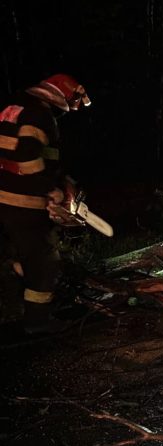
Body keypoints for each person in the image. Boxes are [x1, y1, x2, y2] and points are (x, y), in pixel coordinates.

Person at [0, 74, 90, 334]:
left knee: (27, 254)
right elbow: (27, 157)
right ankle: (38, 322)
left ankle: (18, 270)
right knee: (45, 261)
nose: (72, 109)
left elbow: (38, 156)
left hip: (6, 196)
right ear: (63, 94)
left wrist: (63, 181)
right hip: (22, 201)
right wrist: (50, 191)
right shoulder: (40, 115)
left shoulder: (16, 108)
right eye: (74, 101)